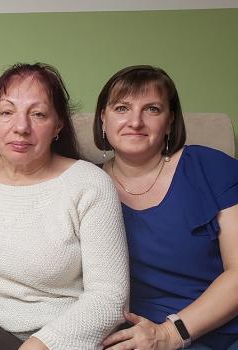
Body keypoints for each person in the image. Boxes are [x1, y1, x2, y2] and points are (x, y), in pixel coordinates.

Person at [0, 63, 129, 350]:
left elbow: (110, 297)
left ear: (58, 125)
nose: (21, 127)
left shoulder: (90, 184)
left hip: (66, 331)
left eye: (38, 114)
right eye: (7, 112)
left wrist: (42, 344)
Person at [95, 65, 238, 350]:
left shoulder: (209, 167)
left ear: (170, 121)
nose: (135, 122)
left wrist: (172, 333)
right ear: (103, 119)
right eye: (122, 108)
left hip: (220, 328)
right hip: (137, 338)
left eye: (152, 109)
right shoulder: (85, 184)